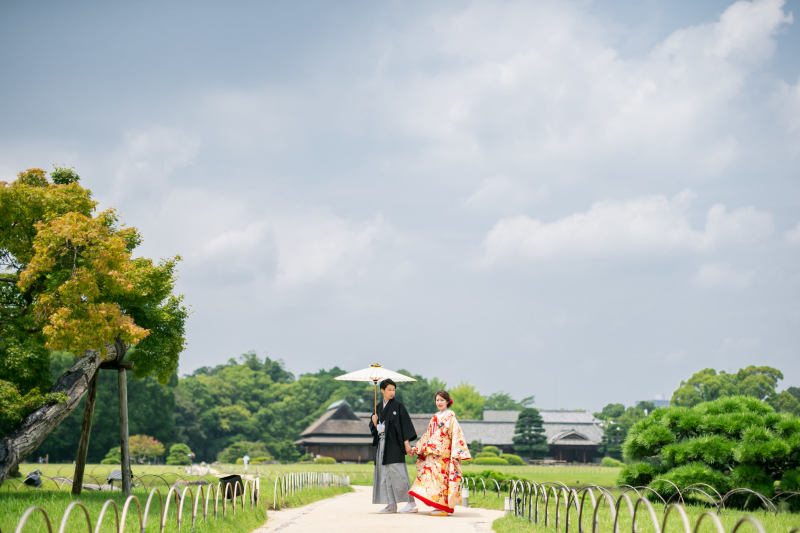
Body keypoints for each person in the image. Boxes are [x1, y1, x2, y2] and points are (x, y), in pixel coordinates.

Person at [408, 390, 471, 516]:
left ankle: (443, 508)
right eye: (437, 400)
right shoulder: (435, 417)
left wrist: (456, 454)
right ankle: (438, 504)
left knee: (442, 480)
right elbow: (428, 435)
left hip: (444, 455)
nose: (439, 402)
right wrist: (418, 447)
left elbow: (456, 436)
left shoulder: (451, 417)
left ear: (448, 401)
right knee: (431, 480)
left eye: (442, 400)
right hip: (432, 454)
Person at [369, 378, 418, 514]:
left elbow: (405, 426)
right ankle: (391, 504)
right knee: (384, 474)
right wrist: (374, 423)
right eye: (389, 390)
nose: (392, 392)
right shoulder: (378, 407)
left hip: (395, 444)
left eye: (394, 390)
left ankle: (411, 503)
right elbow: (374, 429)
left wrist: (406, 444)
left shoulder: (398, 406)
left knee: (399, 473)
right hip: (382, 444)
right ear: (382, 390)